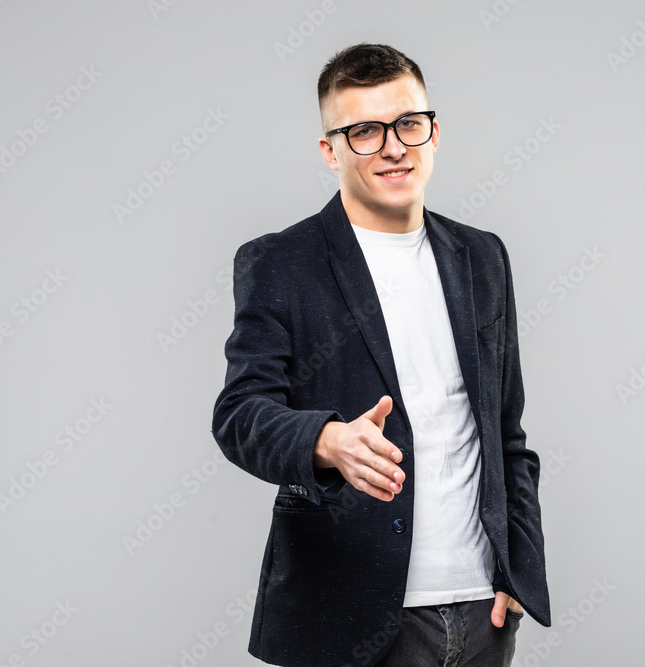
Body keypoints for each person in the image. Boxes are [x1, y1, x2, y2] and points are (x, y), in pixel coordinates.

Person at [212, 43, 550, 667]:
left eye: (407, 124)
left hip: (483, 612)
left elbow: (508, 434)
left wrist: (518, 570)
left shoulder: (482, 257)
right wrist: (326, 440)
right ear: (330, 149)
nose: (393, 146)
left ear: (434, 131)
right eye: (364, 130)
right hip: (346, 613)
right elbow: (239, 416)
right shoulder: (281, 263)